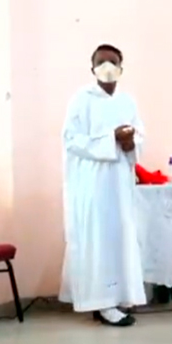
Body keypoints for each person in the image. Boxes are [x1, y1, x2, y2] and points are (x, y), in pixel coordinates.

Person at [59, 44, 147, 326]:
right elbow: (71, 140)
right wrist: (111, 139)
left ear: (121, 68)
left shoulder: (127, 102)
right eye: (101, 62)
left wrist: (131, 142)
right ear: (92, 68)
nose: (107, 66)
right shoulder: (81, 100)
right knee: (99, 240)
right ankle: (102, 302)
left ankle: (119, 298)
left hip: (119, 182)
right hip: (93, 183)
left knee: (119, 237)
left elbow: (140, 136)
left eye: (112, 61)